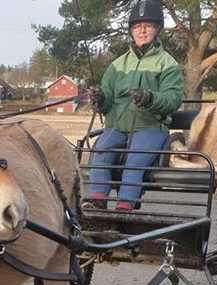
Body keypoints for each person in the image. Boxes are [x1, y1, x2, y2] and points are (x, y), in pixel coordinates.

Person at [84, 0, 184, 212]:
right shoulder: (117, 65)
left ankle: (124, 208)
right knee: (99, 153)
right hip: (116, 126)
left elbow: (173, 99)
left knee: (134, 161)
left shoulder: (168, 64)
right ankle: (96, 203)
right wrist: (100, 98)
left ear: (157, 29)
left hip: (150, 127)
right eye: (137, 27)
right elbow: (107, 103)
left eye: (148, 26)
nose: (142, 30)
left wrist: (150, 99)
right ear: (131, 31)